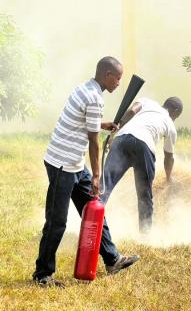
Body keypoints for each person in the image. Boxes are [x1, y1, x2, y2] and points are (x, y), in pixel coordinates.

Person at [33, 56, 140, 287]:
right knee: (56, 221)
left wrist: (103, 124)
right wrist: (97, 175)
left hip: (74, 164)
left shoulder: (87, 89)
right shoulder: (94, 98)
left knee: (94, 211)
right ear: (106, 75)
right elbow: (94, 142)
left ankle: (113, 260)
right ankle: (42, 274)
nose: (119, 83)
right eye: (117, 78)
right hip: (62, 164)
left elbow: (85, 121)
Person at [101, 96, 183, 233]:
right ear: (175, 111)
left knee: (104, 185)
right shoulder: (170, 124)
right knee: (144, 195)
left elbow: (131, 112)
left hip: (122, 139)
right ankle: (145, 235)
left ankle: (91, 223)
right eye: (177, 116)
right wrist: (169, 177)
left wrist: (113, 133)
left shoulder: (148, 101)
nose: (175, 119)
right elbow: (168, 157)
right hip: (144, 146)